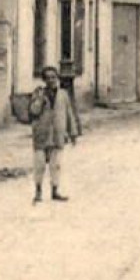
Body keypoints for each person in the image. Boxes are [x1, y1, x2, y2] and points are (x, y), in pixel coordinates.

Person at [29, 66, 80, 204]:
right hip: (42, 134)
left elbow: (69, 114)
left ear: (57, 78)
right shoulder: (38, 93)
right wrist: (40, 100)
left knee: (56, 164)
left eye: (53, 77)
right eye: (48, 77)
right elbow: (33, 111)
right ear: (44, 80)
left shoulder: (63, 94)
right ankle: (38, 191)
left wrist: (73, 133)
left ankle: (55, 191)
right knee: (39, 164)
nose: (51, 80)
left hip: (58, 134)